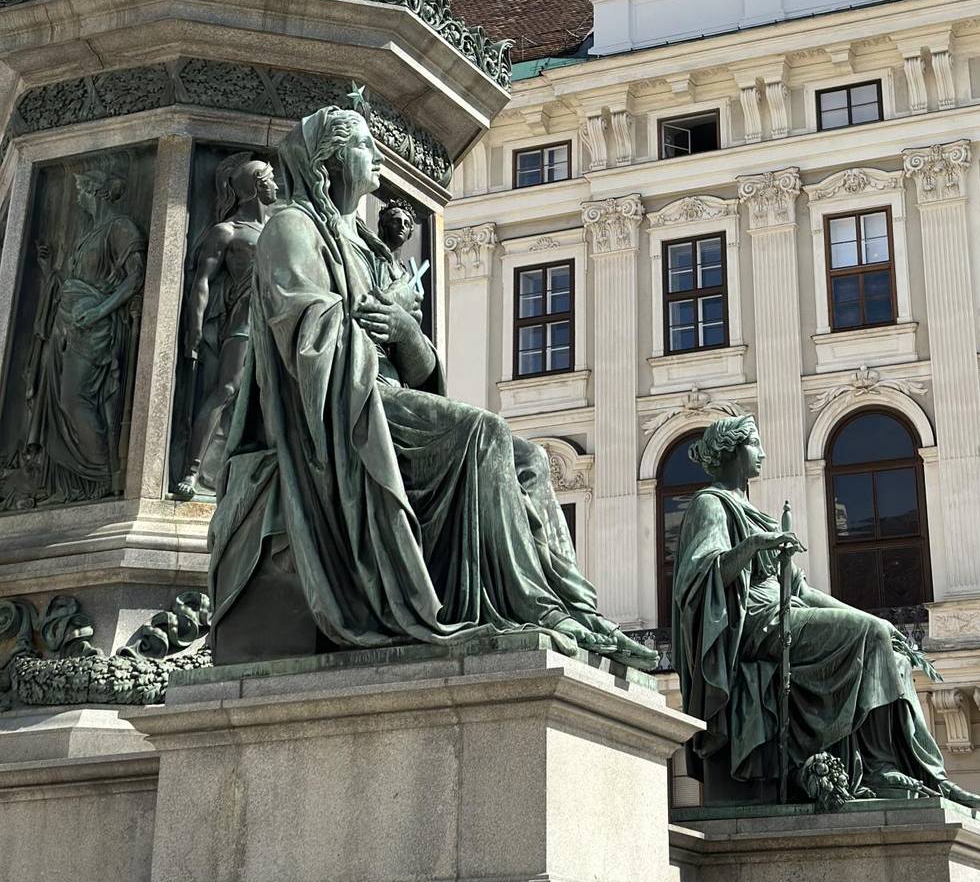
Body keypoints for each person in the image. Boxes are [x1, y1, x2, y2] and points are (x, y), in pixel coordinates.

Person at [209, 106, 656, 669]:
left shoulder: (368, 245)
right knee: (483, 432)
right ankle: (533, 608)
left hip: (388, 398)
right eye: (366, 146)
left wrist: (404, 331)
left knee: (532, 460)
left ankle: (577, 610)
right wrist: (385, 317)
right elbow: (308, 339)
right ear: (330, 161)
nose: (377, 157)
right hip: (346, 408)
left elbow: (422, 369)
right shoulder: (293, 228)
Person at [672, 415, 980, 805]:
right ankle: (878, 766)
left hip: (785, 609)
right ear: (732, 450)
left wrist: (872, 620)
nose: (763, 453)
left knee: (883, 641)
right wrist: (752, 548)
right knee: (871, 638)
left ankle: (913, 770)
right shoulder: (710, 505)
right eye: (754, 444)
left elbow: (801, 589)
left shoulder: (750, 509)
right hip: (753, 622)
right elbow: (698, 577)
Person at [23, 165, 146, 504]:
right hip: (68, 326)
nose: (76, 195)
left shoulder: (120, 227)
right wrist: (50, 272)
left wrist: (99, 310)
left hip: (95, 328)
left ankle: (103, 475)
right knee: (66, 401)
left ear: (97, 191)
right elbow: (76, 285)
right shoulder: (90, 233)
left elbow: (135, 278)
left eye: (81, 189)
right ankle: (77, 486)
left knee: (74, 400)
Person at [173, 154, 278, 501]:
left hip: (281, 324)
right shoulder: (227, 231)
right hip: (245, 319)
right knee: (228, 389)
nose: (277, 185)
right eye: (271, 180)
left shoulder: (280, 228)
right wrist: (195, 328)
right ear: (256, 187)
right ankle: (192, 469)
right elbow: (202, 281)